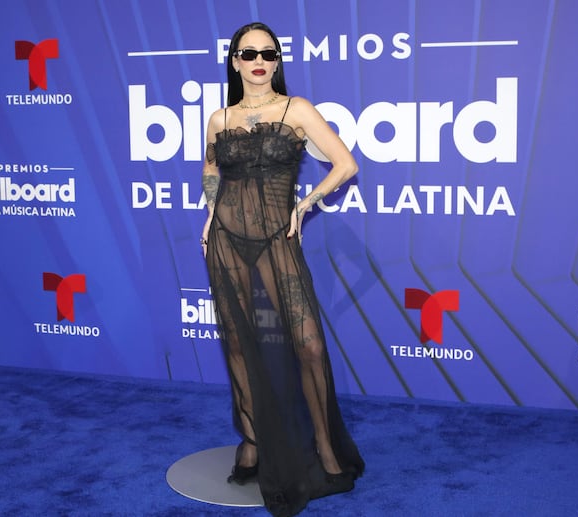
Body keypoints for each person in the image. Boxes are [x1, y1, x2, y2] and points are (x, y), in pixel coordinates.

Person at [200, 22, 365, 517]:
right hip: (226, 242)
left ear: (277, 61)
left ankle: (324, 446)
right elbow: (211, 171)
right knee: (238, 345)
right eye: (248, 52)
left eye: (268, 53)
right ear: (234, 61)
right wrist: (210, 215)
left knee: (308, 344)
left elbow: (345, 164)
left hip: (277, 238)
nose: (258, 60)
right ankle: (251, 440)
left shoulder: (297, 110)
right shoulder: (219, 118)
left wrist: (307, 203)